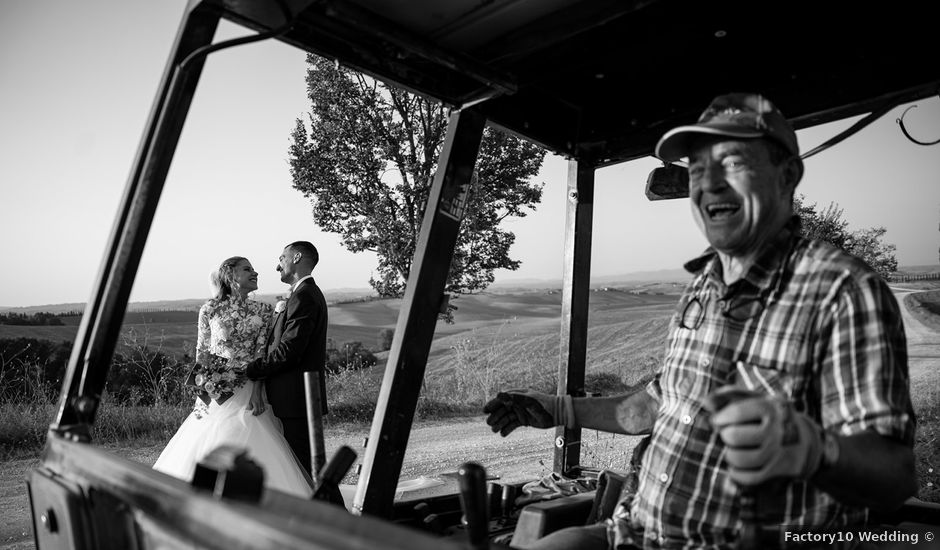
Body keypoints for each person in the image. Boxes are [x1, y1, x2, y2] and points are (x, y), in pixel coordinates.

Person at [483, 93, 916, 549]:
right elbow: (655, 407)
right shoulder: (702, 289)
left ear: (787, 175)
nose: (710, 184)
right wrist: (556, 408)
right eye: (698, 169)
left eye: (731, 162)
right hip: (634, 533)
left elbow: (894, 476)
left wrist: (813, 451)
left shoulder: (841, 291)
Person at [153, 256, 313, 498]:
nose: (255, 272)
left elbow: (263, 353)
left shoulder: (263, 310)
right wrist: (202, 390)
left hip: (249, 387)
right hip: (214, 389)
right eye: (247, 269)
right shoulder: (209, 309)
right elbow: (202, 352)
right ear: (230, 276)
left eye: (254, 269)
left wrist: (259, 390)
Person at [244, 241, 329, 476]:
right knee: (304, 469)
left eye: (282, 258)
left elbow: (290, 351)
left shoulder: (305, 297)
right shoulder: (302, 294)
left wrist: (253, 370)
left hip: (298, 399)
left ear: (297, 257)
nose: (277, 265)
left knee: (309, 470)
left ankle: (331, 512)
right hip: (295, 399)